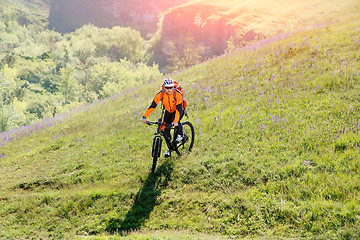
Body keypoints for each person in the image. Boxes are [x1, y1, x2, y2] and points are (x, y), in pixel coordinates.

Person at [141, 78, 185, 157]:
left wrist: (175, 121)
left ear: (173, 87)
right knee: (165, 129)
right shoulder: (160, 95)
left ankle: (180, 135)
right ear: (164, 87)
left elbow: (178, 110)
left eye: (171, 87)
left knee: (177, 122)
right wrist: (144, 117)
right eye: (167, 88)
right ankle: (170, 148)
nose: (169, 89)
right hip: (168, 111)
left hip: (178, 110)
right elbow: (152, 106)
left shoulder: (177, 94)